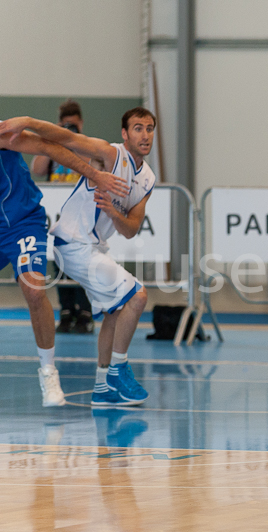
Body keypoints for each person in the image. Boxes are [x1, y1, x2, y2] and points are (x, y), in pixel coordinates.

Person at [0, 107, 157, 406]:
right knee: (135, 297)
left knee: (120, 307)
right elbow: (62, 139)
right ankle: (118, 371)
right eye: (138, 128)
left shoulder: (145, 178)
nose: (145, 135)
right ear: (125, 133)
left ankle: (104, 384)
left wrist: (112, 210)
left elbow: (131, 229)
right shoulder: (110, 154)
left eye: (149, 128)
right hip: (73, 244)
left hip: (82, 243)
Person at [31, 99, 95, 334]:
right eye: (66, 125)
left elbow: (94, 166)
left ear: (81, 123)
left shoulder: (86, 144)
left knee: (80, 262)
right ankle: (67, 312)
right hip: (56, 213)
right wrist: (53, 139)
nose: (70, 129)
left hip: (80, 214)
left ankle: (85, 312)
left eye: (73, 125)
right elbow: (37, 170)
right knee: (58, 261)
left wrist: (76, 141)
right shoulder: (53, 145)